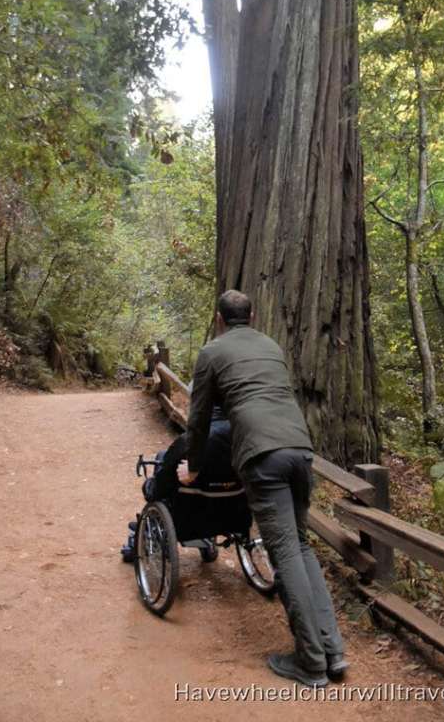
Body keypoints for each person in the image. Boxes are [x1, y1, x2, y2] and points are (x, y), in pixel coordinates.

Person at [177, 289, 348, 688]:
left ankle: (310, 661)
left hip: (262, 454)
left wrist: (194, 467)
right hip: (300, 451)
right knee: (301, 546)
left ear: (219, 319)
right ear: (252, 315)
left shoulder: (212, 352)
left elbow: (199, 419)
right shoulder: (271, 346)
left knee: (285, 552)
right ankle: (333, 651)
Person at [121, 406, 248, 561]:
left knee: (164, 462)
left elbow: (160, 488)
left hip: (189, 519)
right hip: (234, 514)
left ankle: (148, 534)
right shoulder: (247, 437)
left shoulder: (188, 443)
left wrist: (149, 487)